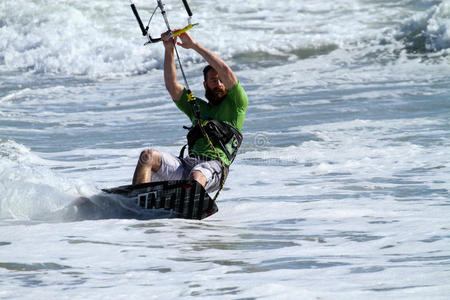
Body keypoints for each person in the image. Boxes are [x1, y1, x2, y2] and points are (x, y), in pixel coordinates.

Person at [132, 31, 248, 194]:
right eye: (214, 81)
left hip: (214, 167)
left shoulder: (236, 105)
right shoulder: (198, 108)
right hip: (188, 164)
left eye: (221, 80)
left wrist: (194, 46)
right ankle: (136, 198)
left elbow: (226, 71)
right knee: (148, 156)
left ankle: (190, 205)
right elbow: (172, 86)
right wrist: (169, 49)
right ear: (205, 85)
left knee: (197, 174)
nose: (219, 84)